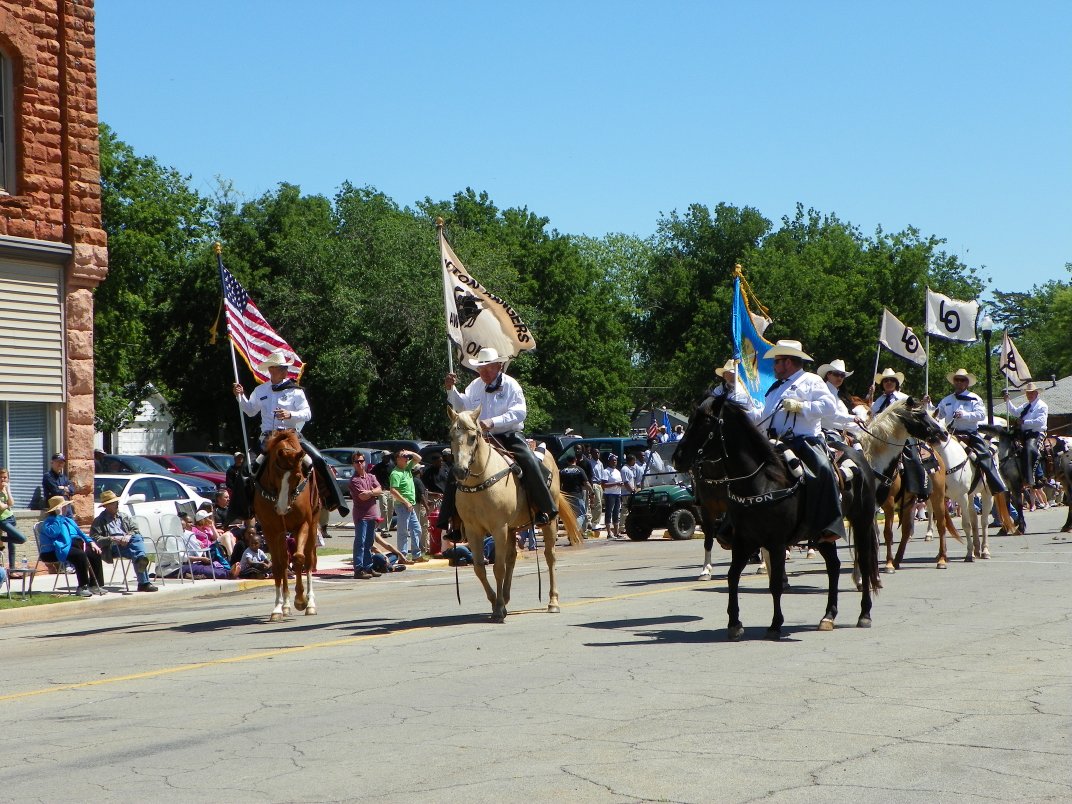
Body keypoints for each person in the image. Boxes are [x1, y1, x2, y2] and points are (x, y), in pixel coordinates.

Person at [738, 339, 845, 543]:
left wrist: (800, 406)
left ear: (788, 362)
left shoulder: (811, 380)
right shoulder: (775, 388)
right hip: (775, 442)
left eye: (777, 362)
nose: (774, 367)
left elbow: (829, 407)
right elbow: (764, 414)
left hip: (804, 441)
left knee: (822, 469)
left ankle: (830, 523)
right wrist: (742, 415)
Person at [444, 346, 557, 525]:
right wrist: (451, 389)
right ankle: (451, 519)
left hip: (508, 435)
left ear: (499, 366)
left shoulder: (511, 385)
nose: (485, 372)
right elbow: (461, 406)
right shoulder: (475, 386)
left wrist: (493, 422)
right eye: (481, 368)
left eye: (489, 368)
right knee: (457, 467)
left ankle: (544, 507)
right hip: (481, 439)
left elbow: (520, 412)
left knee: (529, 461)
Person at [232, 348, 348, 517]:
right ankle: (245, 509)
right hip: (267, 438)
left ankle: (332, 500)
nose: (285, 371)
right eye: (281, 367)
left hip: (291, 435)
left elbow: (307, 414)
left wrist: (290, 415)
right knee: (246, 469)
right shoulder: (260, 390)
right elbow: (250, 411)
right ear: (271, 369)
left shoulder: (295, 391)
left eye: (285, 368)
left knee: (318, 460)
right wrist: (240, 396)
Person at [927, 368, 1007, 494]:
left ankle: (996, 485)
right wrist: (929, 405)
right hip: (950, 434)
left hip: (970, 434)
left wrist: (965, 414)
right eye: (956, 380)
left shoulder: (975, 398)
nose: (959, 382)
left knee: (985, 455)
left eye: (962, 380)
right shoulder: (947, 400)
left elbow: (981, 415)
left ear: (967, 383)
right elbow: (937, 415)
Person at [871, 367, 929, 501]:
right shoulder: (878, 401)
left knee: (913, 457)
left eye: (892, 380)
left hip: (901, 437)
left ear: (897, 383)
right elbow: (872, 417)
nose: (889, 382)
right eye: (886, 380)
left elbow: (918, 415)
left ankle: (920, 488)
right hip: (879, 438)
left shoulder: (904, 398)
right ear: (882, 384)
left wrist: (925, 404)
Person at [89, 490, 158, 592]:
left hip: (128, 544)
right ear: (106, 506)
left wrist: (128, 535)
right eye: (113, 503)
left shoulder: (124, 516)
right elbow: (95, 539)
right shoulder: (99, 520)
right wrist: (112, 539)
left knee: (136, 540)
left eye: (117, 502)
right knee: (137, 551)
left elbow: (135, 530)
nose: (117, 504)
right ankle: (144, 583)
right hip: (112, 547)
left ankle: (141, 564)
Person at [38, 496, 105, 596]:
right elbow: (53, 533)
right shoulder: (49, 522)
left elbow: (81, 533)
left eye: (65, 506)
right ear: (56, 509)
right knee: (80, 555)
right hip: (56, 550)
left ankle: (95, 585)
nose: (66, 508)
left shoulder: (69, 521)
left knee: (94, 552)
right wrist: (59, 517)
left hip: (74, 545)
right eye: (63, 507)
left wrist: (91, 542)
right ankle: (82, 587)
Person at [1004, 382, 1048, 492]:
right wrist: (1008, 401)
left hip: (1036, 432)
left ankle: (1038, 476)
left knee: (1030, 448)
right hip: (1023, 433)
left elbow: (1040, 421)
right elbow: (1015, 412)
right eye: (1028, 393)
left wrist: (1024, 421)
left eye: (1032, 393)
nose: (1029, 395)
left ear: (1037, 393)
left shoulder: (1042, 406)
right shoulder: (1025, 406)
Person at [349, 451, 384, 579]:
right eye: (357, 462)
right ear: (353, 464)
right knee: (360, 542)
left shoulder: (371, 476)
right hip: (361, 515)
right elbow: (362, 497)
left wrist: (370, 492)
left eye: (361, 461)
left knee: (369, 542)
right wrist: (373, 492)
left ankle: (368, 567)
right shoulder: (354, 480)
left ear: (365, 462)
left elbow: (380, 490)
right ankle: (358, 569)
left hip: (372, 514)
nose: (360, 464)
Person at [816, 359, 865, 440]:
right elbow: (831, 415)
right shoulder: (824, 392)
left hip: (838, 434)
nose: (839, 377)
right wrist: (855, 420)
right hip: (827, 433)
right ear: (828, 374)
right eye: (836, 374)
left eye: (842, 375)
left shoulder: (837, 395)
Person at [389, 450, 424, 563]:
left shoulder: (407, 468)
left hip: (410, 505)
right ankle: (402, 556)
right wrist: (405, 502)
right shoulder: (396, 473)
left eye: (406, 456)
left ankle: (416, 555)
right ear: (397, 459)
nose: (406, 458)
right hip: (402, 506)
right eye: (403, 456)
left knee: (417, 529)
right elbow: (393, 491)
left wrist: (409, 452)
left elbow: (418, 458)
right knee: (403, 532)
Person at [559, 453, 594, 534]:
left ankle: (570, 532)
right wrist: (592, 492)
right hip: (577, 494)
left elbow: (559, 484)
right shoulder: (579, 470)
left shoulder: (563, 471)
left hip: (565, 495)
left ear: (567, 461)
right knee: (581, 514)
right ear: (575, 460)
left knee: (569, 515)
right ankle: (575, 530)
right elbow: (586, 483)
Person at [0, 468, 28, 568]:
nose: (3, 480)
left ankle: (12, 569)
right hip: (3, 520)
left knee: (12, 546)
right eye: (1, 477)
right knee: (22, 538)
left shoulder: (5, 489)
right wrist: (7, 504)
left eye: (5, 477)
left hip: (11, 518)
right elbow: (1, 507)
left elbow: (12, 502)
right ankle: (1, 538)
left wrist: (7, 490)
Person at [42, 452, 75, 518]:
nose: (60, 464)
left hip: (67, 507)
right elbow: (55, 491)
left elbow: (72, 490)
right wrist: (65, 489)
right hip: (55, 508)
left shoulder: (64, 477)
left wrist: (62, 488)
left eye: (62, 462)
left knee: (70, 525)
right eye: (58, 461)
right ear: (52, 462)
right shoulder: (48, 476)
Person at [225, 452, 252, 525]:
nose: (240, 459)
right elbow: (229, 483)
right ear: (234, 459)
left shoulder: (246, 469)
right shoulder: (231, 470)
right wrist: (237, 490)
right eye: (238, 458)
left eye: (241, 457)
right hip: (236, 493)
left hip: (246, 492)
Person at [601, 454, 625, 539]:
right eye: (613, 460)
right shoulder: (606, 471)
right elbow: (604, 485)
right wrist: (616, 483)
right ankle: (609, 533)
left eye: (615, 460)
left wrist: (620, 485)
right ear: (609, 461)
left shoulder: (617, 471)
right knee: (608, 512)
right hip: (609, 494)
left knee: (616, 512)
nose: (614, 462)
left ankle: (616, 532)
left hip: (617, 494)